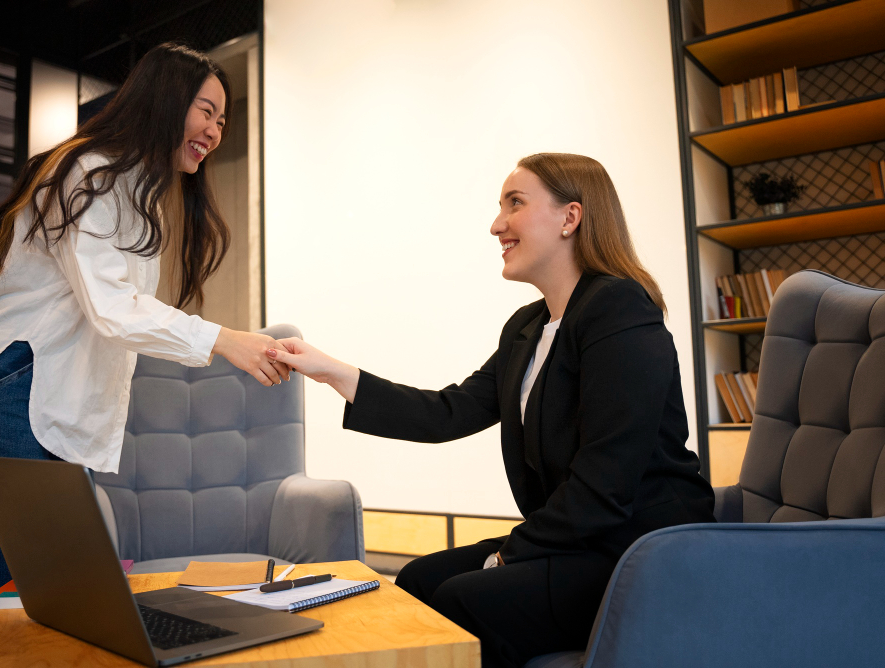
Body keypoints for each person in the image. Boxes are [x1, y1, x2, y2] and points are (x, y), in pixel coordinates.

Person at [265, 153, 716, 667]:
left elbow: (606, 480)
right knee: (414, 580)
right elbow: (448, 412)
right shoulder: (527, 327)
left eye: (515, 204)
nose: (496, 224)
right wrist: (333, 372)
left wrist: (506, 557)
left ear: (570, 218)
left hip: (637, 551)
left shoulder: (620, 308)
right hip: (581, 538)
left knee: (464, 598)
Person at [0, 43, 290, 667]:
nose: (214, 130)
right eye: (206, 110)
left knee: (58, 614)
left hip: (46, 405)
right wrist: (225, 340)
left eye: (224, 120)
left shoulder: (136, 188)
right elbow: (112, 308)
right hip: (8, 390)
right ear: (165, 99)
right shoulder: (89, 171)